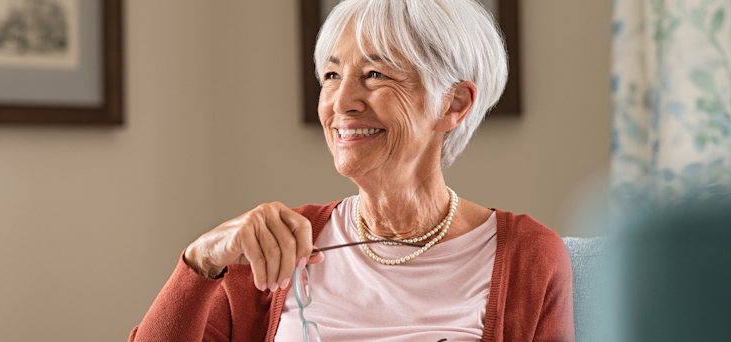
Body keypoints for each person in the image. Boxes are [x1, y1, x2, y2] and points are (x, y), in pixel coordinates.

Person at [129, 0, 574, 341]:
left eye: (376, 74)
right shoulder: (274, 245)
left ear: (454, 103)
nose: (342, 103)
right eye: (331, 76)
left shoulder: (528, 257)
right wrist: (201, 258)